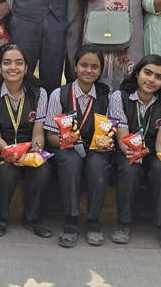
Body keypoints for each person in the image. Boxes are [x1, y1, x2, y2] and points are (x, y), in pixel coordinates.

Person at [0, 44, 52, 238]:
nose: (13, 68)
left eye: (19, 63)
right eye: (7, 63)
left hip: (30, 146)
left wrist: (35, 151)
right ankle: (0, 218)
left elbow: (38, 133)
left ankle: (32, 219)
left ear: (26, 68)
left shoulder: (39, 93)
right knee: (6, 170)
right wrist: (12, 152)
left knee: (42, 169)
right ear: (0, 67)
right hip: (1, 147)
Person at [44, 45, 113, 247]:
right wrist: (66, 140)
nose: (88, 70)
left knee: (99, 165)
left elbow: (110, 132)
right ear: (75, 66)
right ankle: (71, 221)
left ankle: (93, 222)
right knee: (70, 161)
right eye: (84, 65)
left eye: (95, 66)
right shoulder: (59, 94)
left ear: (100, 71)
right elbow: (50, 136)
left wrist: (106, 142)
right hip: (66, 148)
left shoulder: (106, 96)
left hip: (95, 148)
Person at [109, 55, 161, 250]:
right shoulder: (119, 96)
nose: (151, 80)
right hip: (126, 148)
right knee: (129, 169)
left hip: (152, 149)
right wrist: (132, 151)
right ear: (137, 73)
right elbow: (123, 140)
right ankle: (123, 223)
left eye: (158, 77)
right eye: (147, 73)